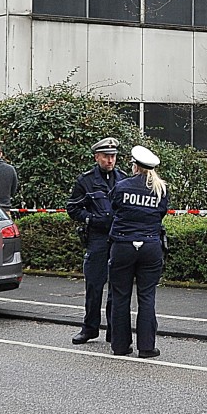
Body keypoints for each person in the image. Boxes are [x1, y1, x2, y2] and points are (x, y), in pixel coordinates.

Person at [107, 145, 169, 358]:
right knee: (147, 296)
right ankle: (146, 347)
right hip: (150, 246)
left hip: (123, 246)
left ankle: (120, 346)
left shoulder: (122, 186)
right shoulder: (161, 189)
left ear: (135, 166)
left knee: (120, 296)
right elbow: (161, 214)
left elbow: (113, 209)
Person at [66, 137, 127, 345]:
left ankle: (113, 330)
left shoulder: (124, 179)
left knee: (117, 287)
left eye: (113, 156)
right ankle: (90, 328)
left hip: (118, 238)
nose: (110, 161)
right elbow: (73, 208)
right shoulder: (86, 180)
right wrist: (90, 219)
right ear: (96, 157)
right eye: (106, 157)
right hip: (97, 238)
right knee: (94, 285)